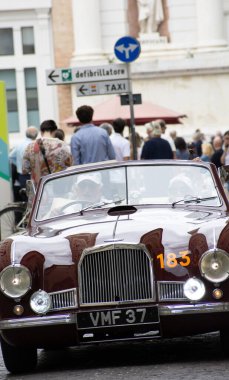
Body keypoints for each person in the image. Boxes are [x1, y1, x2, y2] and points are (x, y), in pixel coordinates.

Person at [22, 119, 72, 186]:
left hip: (39, 188)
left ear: (41, 131)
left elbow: (25, 170)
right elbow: (69, 166)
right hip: (58, 187)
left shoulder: (30, 146)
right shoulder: (62, 145)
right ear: (54, 131)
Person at [9, 126, 38, 199]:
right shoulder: (35, 145)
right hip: (33, 176)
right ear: (36, 135)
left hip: (22, 176)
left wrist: (19, 165)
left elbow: (11, 156)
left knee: (26, 198)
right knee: (35, 199)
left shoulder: (19, 144)